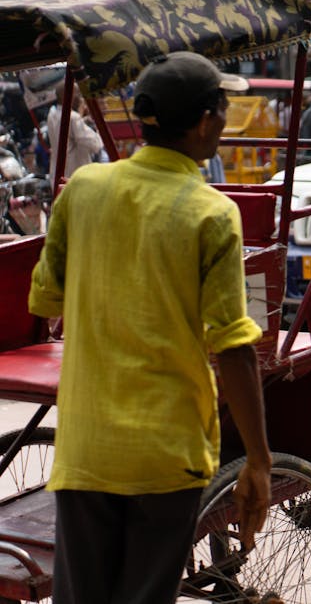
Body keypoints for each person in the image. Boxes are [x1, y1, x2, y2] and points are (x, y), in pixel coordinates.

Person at [28, 51, 272, 604]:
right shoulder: (211, 212)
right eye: (225, 107)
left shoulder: (83, 189)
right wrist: (257, 460)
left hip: (87, 447)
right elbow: (234, 349)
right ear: (208, 120)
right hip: (166, 455)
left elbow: (45, 295)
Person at [46, 81, 104, 186]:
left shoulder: (52, 114)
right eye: (77, 94)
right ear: (67, 95)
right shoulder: (73, 117)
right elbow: (96, 144)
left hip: (58, 176)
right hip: (76, 177)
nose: (80, 98)